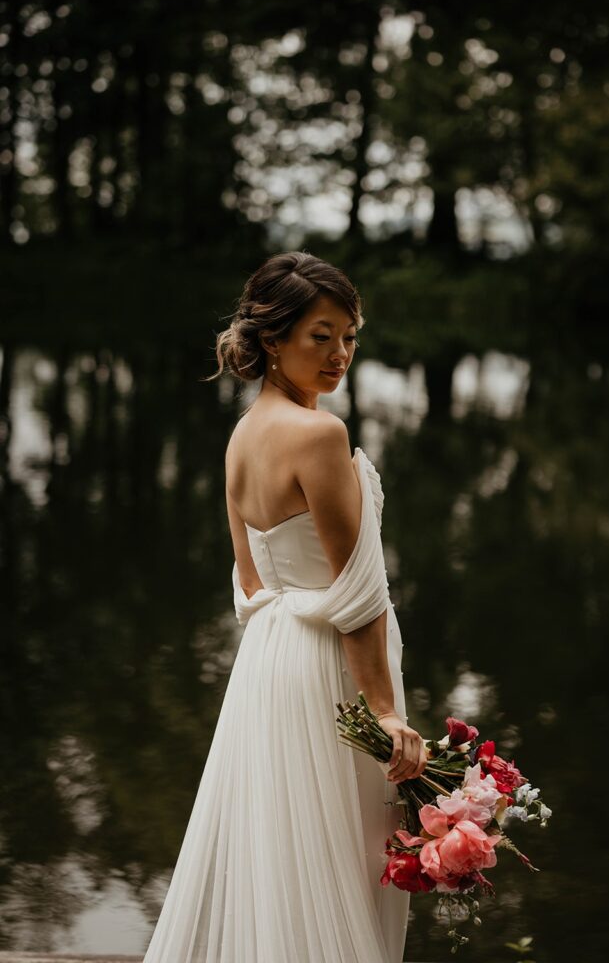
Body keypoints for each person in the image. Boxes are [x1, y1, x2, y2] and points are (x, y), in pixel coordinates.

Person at [142, 251, 428, 963]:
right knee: (345, 858)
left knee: (283, 855)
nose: (340, 355)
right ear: (272, 340)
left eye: (349, 337)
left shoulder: (242, 435)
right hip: (331, 672)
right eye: (320, 336)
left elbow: (249, 584)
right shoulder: (318, 434)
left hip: (267, 664)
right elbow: (359, 596)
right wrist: (386, 714)